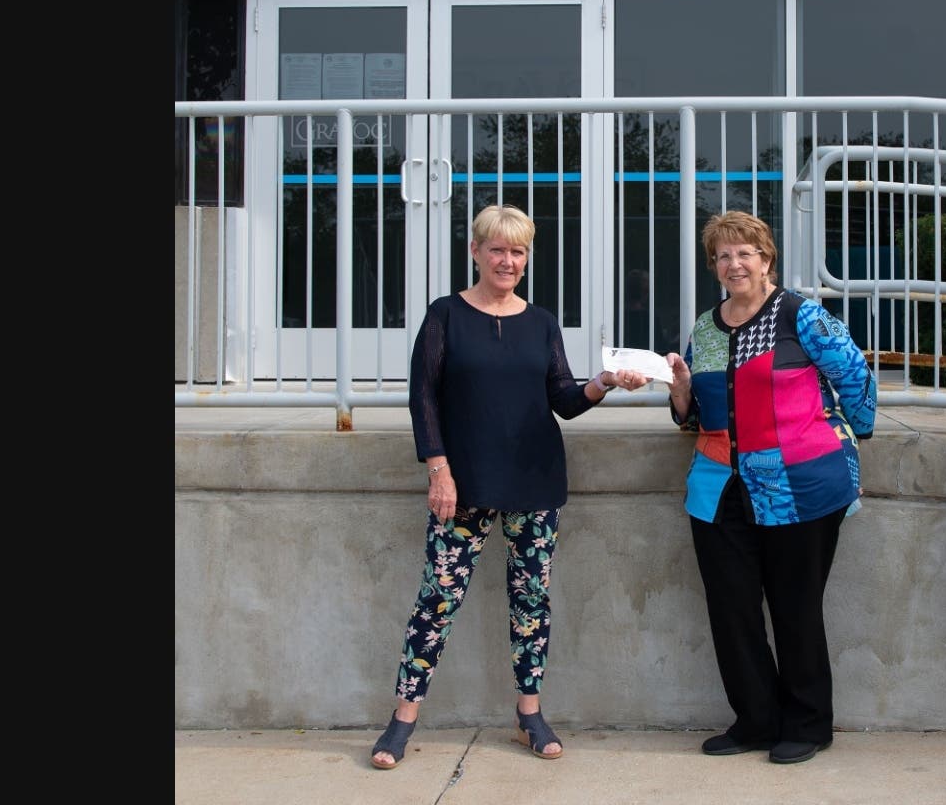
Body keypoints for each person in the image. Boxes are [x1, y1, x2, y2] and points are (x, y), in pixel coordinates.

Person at [369, 203, 650, 770]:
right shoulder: (446, 314)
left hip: (534, 483)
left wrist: (604, 382)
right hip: (463, 484)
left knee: (531, 604)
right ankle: (402, 720)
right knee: (437, 602)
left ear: (527, 258)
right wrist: (439, 468)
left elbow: (564, 401)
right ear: (475, 252)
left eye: (518, 250)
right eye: (496, 248)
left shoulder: (542, 322)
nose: (507, 260)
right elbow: (422, 396)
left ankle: (529, 713)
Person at [663, 210, 877, 766]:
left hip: (799, 483)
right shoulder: (706, 329)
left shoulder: (801, 315)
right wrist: (682, 391)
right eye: (723, 256)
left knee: (795, 606)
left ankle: (808, 724)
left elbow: (854, 377)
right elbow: (695, 417)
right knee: (731, 609)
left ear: (766, 258)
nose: (734, 264)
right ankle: (755, 720)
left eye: (745, 253)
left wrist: (856, 433)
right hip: (718, 486)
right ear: (714, 266)